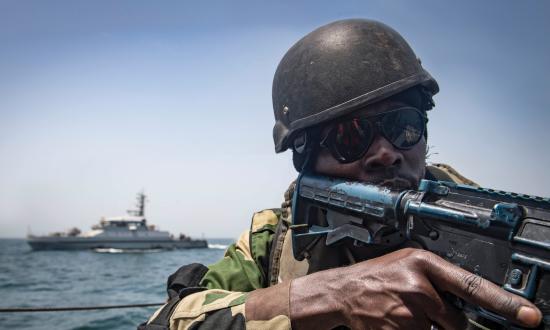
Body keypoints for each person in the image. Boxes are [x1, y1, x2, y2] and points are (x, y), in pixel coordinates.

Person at [141, 19, 542, 330]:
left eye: (404, 127)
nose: (386, 153)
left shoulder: (502, 235)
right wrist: (328, 297)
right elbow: (169, 321)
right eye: (351, 137)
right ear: (307, 158)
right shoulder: (277, 238)